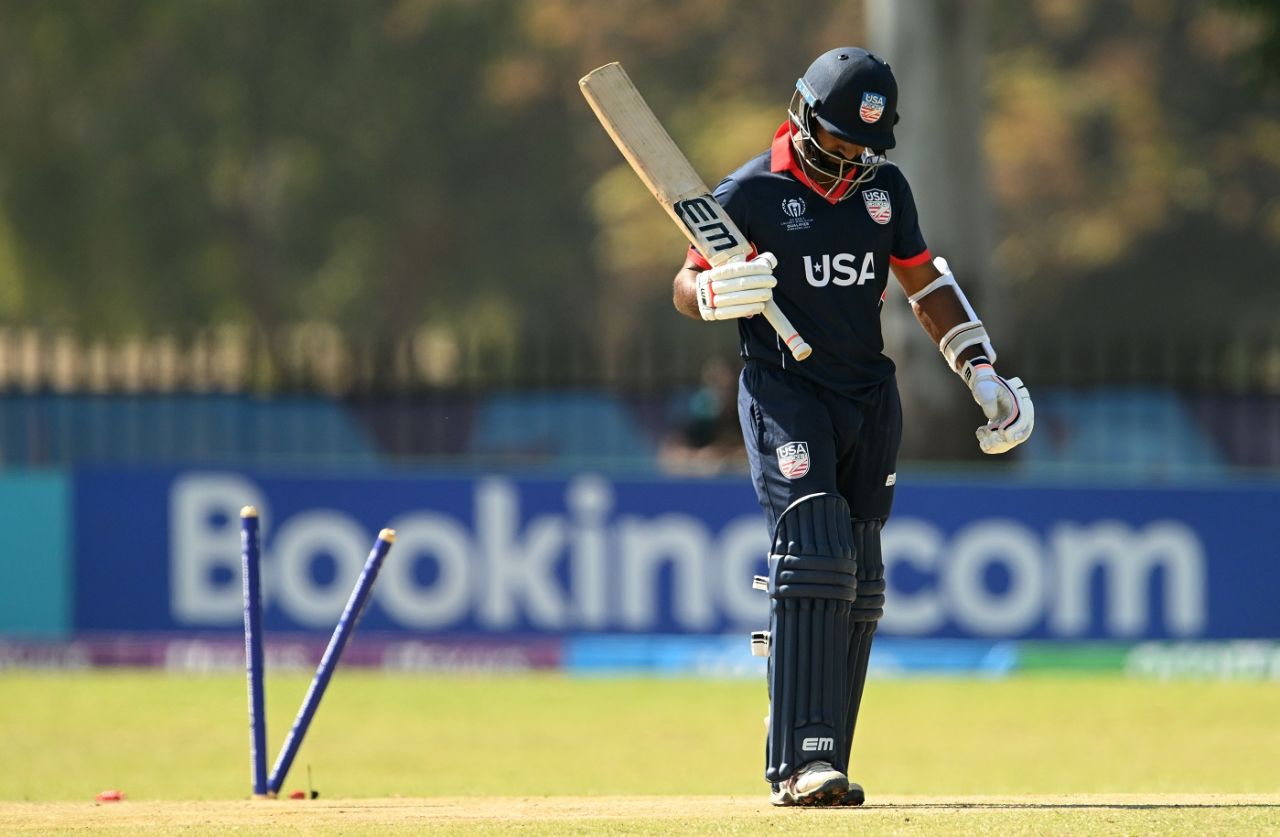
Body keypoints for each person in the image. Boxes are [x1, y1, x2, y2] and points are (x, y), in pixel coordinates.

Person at [671, 47, 1034, 807]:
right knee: (814, 554)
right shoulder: (751, 191)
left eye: (863, 149)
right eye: (836, 144)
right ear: (803, 118)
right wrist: (713, 291)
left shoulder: (885, 190)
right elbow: (685, 277)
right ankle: (799, 761)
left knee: (861, 580)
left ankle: (823, 745)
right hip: (786, 387)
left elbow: (923, 277)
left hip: (867, 393)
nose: (848, 161)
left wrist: (982, 370)